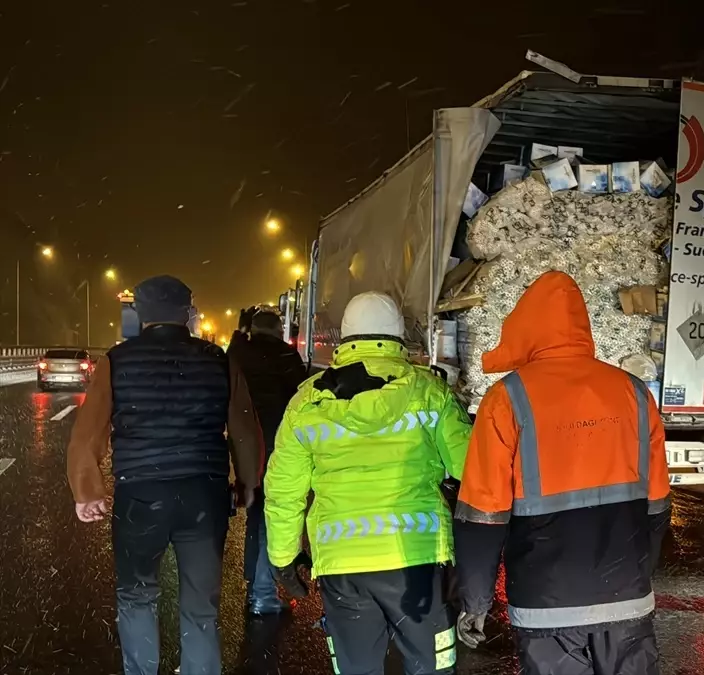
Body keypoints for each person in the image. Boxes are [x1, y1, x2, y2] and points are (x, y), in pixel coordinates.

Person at [453, 271, 672, 675]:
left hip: (546, 606)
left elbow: (481, 517)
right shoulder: (635, 393)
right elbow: (657, 506)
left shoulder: (507, 398)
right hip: (627, 595)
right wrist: (639, 572)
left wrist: (476, 602)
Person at [264, 291, 472, 675]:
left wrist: (282, 558)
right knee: (432, 668)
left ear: (345, 337)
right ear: (398, 336)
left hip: (343, 564)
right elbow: (471, 472)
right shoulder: (430, 393)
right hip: (418, 558)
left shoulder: (306, 404)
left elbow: (283, 491)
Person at [67, 275, 263, 675]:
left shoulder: (117, 361)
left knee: (137, 598)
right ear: (188, 313)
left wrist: (88, 490)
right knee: (200, 605)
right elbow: (245, 430)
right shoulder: (219, 359)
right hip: (203, 497)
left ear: (139, 313)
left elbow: (88, 432)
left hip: (140, 496)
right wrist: (247, 484)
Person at [227, 307, 308, 615]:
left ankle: (255, 584)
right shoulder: (286, 358)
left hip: (247, 446)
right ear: (278, 330)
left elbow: (234, 352)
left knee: (256, 515)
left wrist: (239, 330)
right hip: (278, 448)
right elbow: (300, 398)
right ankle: (262, 594)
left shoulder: (240, 353)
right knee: (268, 520)